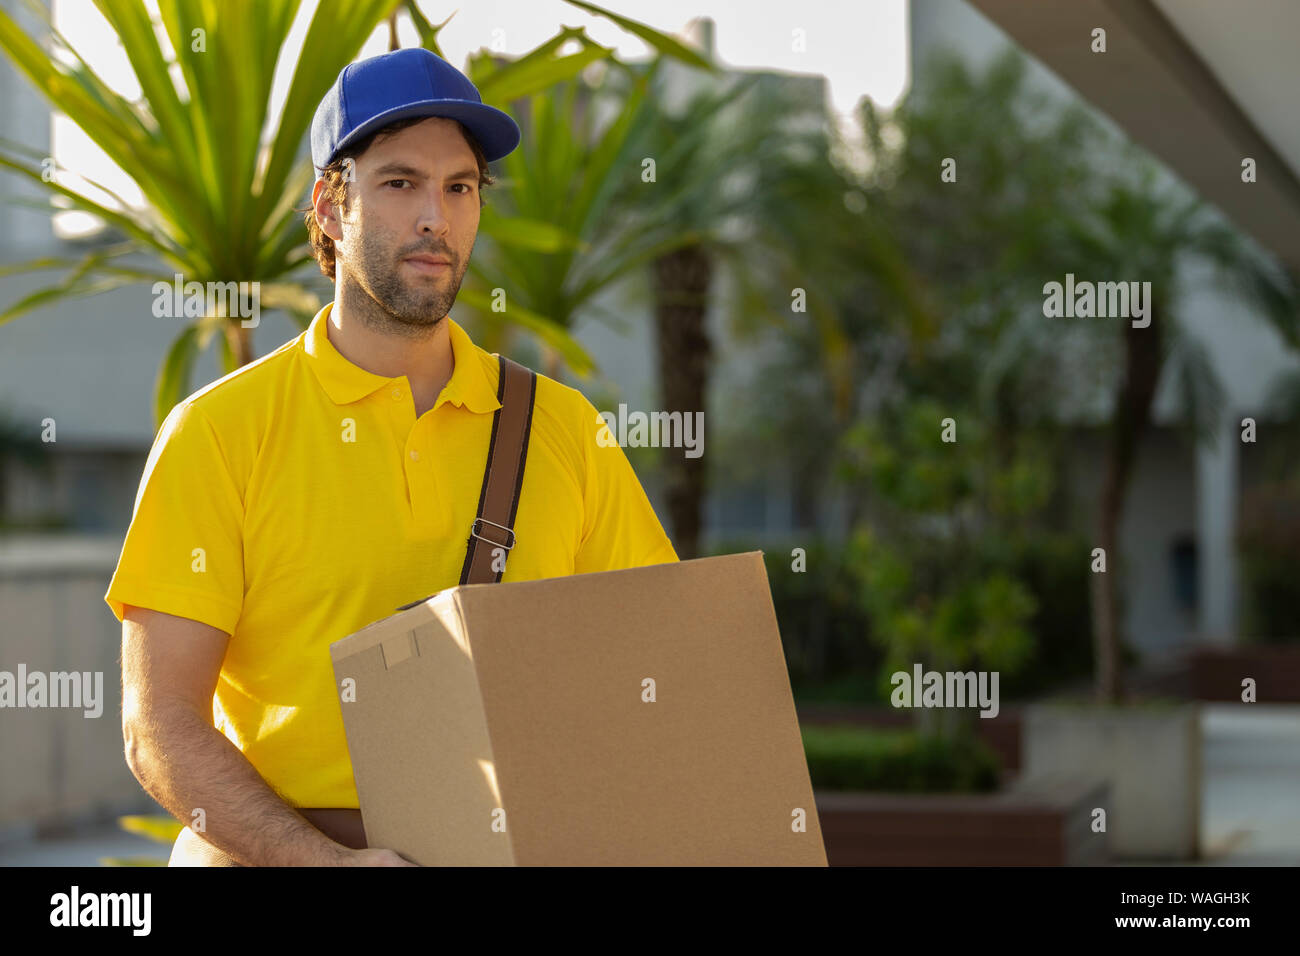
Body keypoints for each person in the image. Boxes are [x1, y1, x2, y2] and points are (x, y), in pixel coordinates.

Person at [105, 48, 678, 867]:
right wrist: (324, 863)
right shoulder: (220, 433)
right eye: (401, 183)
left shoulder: (565, 429)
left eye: (460, 187)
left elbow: (652, 675)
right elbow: (156, 727)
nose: (436, 220)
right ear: (330, 209)